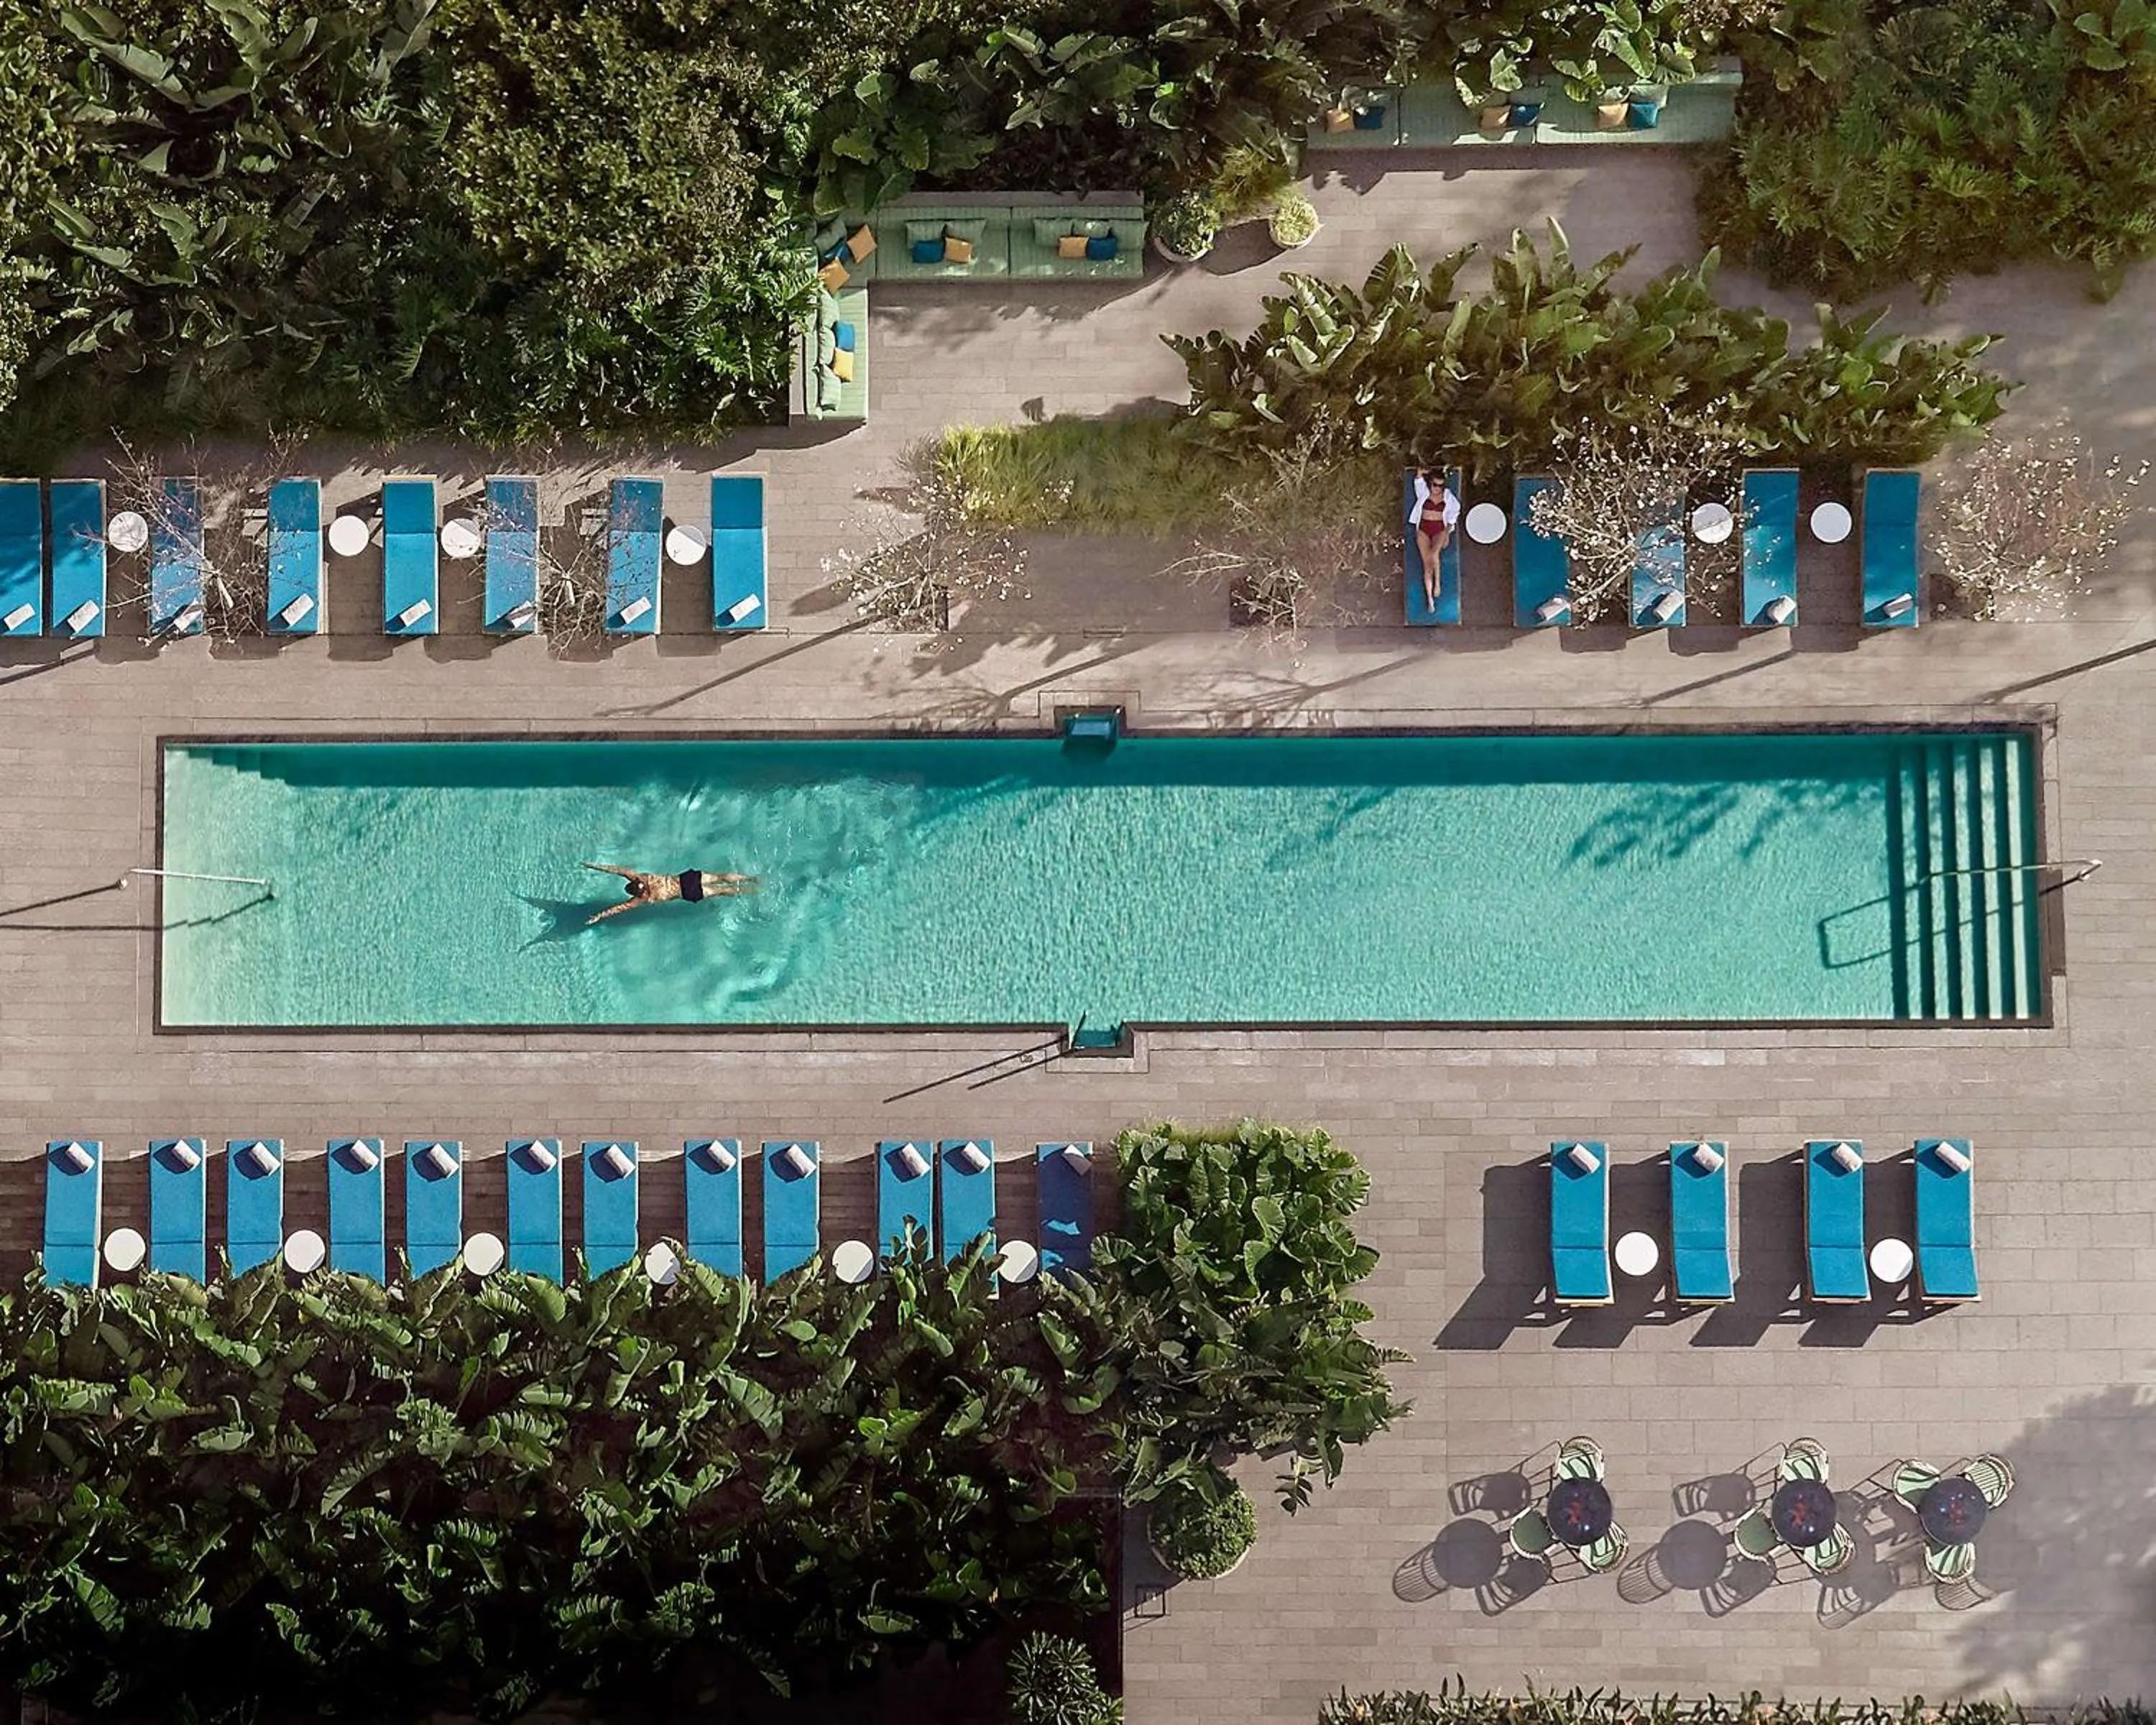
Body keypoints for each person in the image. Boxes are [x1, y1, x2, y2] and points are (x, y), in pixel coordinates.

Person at [581, 862, 758, 926]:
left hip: (686, 892)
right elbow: (616, 870)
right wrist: (595, 866)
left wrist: (599, 916)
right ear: (633, 883)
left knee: (721, 890)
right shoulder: (641, 877)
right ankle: (752, 879)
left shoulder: (641, 899)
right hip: (684, 880)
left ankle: (749, 891)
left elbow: (619, 909)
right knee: (720, 877)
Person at [1409, 466, 1460, 615]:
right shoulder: (1424, 493)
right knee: (1427, 564)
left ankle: (1437, 583)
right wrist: (1429, 472)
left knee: (1434, 555)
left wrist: (1449, 530)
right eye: (1435, 485)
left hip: (1439, 529)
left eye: (1440, 486)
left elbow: (1455, 512)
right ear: (1430, 484)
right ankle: (1430, 598)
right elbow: (1418, 475)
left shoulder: (1448, 497)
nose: (1437, 489)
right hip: (1424, 528)